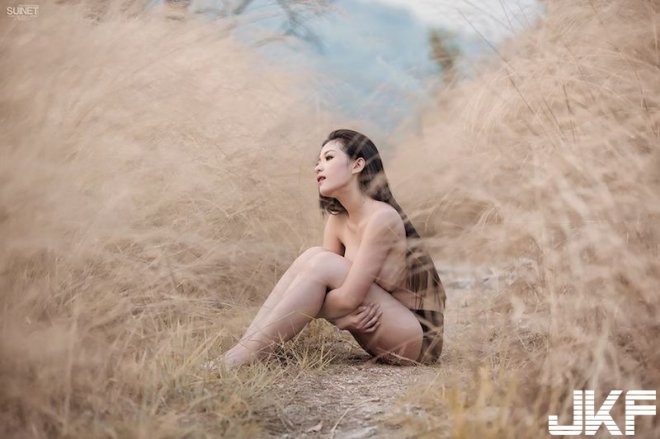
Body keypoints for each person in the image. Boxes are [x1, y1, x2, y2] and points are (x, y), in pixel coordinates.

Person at [220, 129, 446, 368]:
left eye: (328, 158)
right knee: (313, 255)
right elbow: (326, 291)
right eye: (317, 162)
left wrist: (329, 313)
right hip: (377, 330)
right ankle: (246, 348)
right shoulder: (337, 221)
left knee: (323, 262)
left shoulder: (382, 217)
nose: (318, 167)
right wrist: (337, 315)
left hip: (416, 340)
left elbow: (346, 300)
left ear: (357, 165)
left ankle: (244, 356)